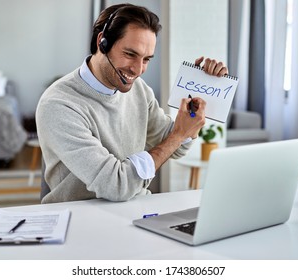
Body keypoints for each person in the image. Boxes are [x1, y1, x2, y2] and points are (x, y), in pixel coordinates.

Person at [36, 3, 228, 203]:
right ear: (103, 42)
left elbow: (176, 147)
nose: (138, 70)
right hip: (78, 219)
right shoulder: (59, 104)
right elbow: (116, 185)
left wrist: (195, 103)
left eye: (146, 59)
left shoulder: (139, 90)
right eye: (130, 54)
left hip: (134, 210)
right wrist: (178, 134)